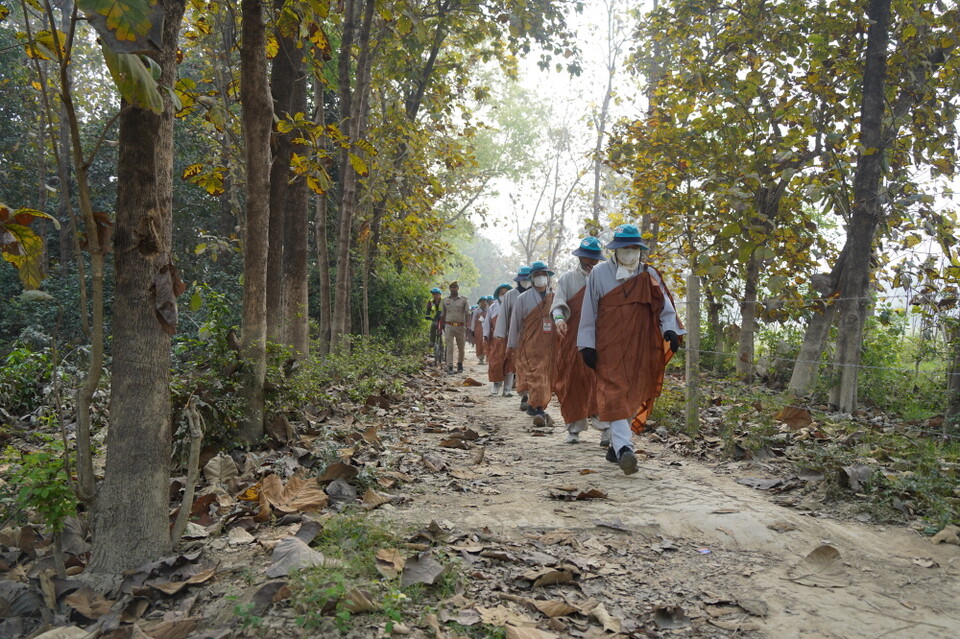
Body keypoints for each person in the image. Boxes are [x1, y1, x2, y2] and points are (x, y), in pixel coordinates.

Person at [577, 224, 684, 475]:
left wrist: (670, 329)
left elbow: (665, 308)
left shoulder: (650, 275)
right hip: (608, 345)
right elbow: (589, 311)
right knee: (615, 394)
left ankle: (616, 446)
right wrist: (587, 344)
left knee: (633, 394)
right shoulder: (599, 274)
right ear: (615, 250)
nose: (630, 252)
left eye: (635, 248)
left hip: (642, 344)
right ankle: (625, 449)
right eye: (626, 248)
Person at [552, 237, 606, 445]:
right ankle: (574, 428)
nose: (589, 262)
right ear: (579, 257)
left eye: (593, 258)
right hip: (572, 339)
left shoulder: (604, 279)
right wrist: (558, 319)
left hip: (598, 339)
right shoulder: (567, 279)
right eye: (586, 257)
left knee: (599, 382)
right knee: (572, 381)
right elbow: (558, 303)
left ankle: (605, 428)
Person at [507, 261, 557, 427]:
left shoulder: (554, 297)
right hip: (530, 343)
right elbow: (515, 323)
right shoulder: (523, 298)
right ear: (532, 278)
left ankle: (533, 405)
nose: (541, 278)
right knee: (536, 375)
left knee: (544, 376)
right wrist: (512, 344)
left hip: (549, 344)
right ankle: (538, 408)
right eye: (537, 275)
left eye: (543, 274)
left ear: (548, 277)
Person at [493, 265, 531, 397]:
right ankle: (510, 389)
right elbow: (503, 315)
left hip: (533, 335)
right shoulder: (511, 295)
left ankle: (528, 393)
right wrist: (501, 334)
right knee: (512, 362)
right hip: (513, 333)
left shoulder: (535, 294)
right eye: (523, 279)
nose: (526, 281)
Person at [484, 284, 513, 395]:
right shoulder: (493, 307)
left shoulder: (514, 305)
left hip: (510, 339)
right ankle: (496, 385)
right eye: (502, 293)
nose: (504, 295)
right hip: (496, 340)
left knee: (510, 364)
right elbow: (487, 322)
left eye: (507, 293)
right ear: (498, 295)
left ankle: (507, 389)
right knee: (495, 362)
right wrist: (486, 335)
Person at [440, 281, 470, 374]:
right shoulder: (445, 300)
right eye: (452, 287)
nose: (453, 289)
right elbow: (442, 315)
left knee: (461, 347)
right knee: (449, 347)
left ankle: (460, 363)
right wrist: (441, 326)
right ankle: (450, 366)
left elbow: (467, 314)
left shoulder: (463, 300)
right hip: (449, 326)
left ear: (458, 288)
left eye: (455, 287)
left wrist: (468, 325)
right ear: (449, 289)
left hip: (460, 327)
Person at [426, 287, 443, 359]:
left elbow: (443, 310)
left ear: (440, 294)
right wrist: (427, 316)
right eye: (434, 294)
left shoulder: (444, 301)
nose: (435, 296)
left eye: (437, 294)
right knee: (433, 325)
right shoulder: (430, 301)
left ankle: (445, 344)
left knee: (445, 329)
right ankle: (432, 341)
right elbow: (428, 310)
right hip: (435, 319)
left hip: (443, 318)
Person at [473, 297, 489, 364]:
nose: (483, 303)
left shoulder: (489, 310)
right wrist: (472, 330)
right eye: (481, 301)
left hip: (487, 328)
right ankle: (481, 358)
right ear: (479, 303)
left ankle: (488, 358)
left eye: (484, 301)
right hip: (479, 329)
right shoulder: (476, 311)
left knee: (487, 343)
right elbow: (473, 321)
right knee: (479, 343)